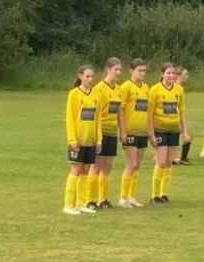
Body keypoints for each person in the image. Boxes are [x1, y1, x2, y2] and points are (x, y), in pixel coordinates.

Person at [62, 64, 102, 215]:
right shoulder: (74, 94)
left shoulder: (96, 95)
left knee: (85, 170)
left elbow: (97, 119)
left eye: (92, 76)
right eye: (87, 76)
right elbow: (70, 118)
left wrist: (99, 140)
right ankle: (68, 204)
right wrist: (72, 139)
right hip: (78, 140)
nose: (90, 79)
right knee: (75, 170)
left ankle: (81, 203)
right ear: (80, 76)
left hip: (90, 140)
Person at [147, 63, 189, 205]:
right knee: (161, 161)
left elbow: (182, 111)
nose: (171, 76)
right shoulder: (155, 90)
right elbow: (150, 114)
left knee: (170, 162)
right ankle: (154, 195)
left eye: (173, 73)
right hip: (160, 130)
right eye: (168, 73)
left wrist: (185, 132)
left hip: (174, 130)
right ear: (162, 74)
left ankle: (164, 194)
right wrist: (151, 134)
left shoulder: (179, 90)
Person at [86, 57, 123, 210]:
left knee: (108, 166)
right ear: (108, 70)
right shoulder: (99, 89)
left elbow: (119, 112)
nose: (119, 73)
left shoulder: (118, 89)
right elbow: (95, 113)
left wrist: (122, 130)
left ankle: (103, 199)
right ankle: (90, 199)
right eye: (116, 70)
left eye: (120, 70)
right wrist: (97, 135)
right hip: (101, 131)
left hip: (113, 131)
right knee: (97, 166)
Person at [117, 58, 149, 209]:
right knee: (131, 164)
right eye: (139, 70)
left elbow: (147, 111)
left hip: (142, 131)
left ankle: (132, 196)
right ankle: (123, 198)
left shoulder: (146, 87)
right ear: (131, 71)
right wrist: (123, 130)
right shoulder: (125, 87)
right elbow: (121, 110)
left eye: (144, 70)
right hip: (130, 131)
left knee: (137, 165)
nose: (142, 73)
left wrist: (149, 131)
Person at [174, 68, 193, 165]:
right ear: (179, 75)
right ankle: (180, 158)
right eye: (185, 74)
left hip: (178, 115)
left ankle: (182, 158)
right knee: (185, 135)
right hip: (173, 117)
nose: (187, 77)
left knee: (187, 135)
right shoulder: (176, 87)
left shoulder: (180, 88)